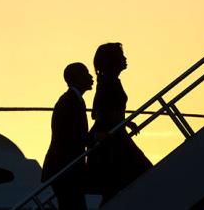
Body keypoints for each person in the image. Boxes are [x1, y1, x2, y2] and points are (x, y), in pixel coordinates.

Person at [87, 43, 151, 202]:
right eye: (121, 56)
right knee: (143, 174)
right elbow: (101, 113)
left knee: (112, 191)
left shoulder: (108, 81)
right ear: (113, 61)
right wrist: (122, 121)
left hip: (114, 138)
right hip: (112, 142)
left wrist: (124, 122)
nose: (125, 59)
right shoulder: (110, 82)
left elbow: (98, 112)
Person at [42, 63, 93, 210]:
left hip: (66, 170)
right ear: (77, 78)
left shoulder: (73, 100)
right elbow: (71, 136)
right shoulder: (69, 101)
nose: (91, 77)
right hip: (64, 169)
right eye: (86, 73)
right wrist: (95, 137)